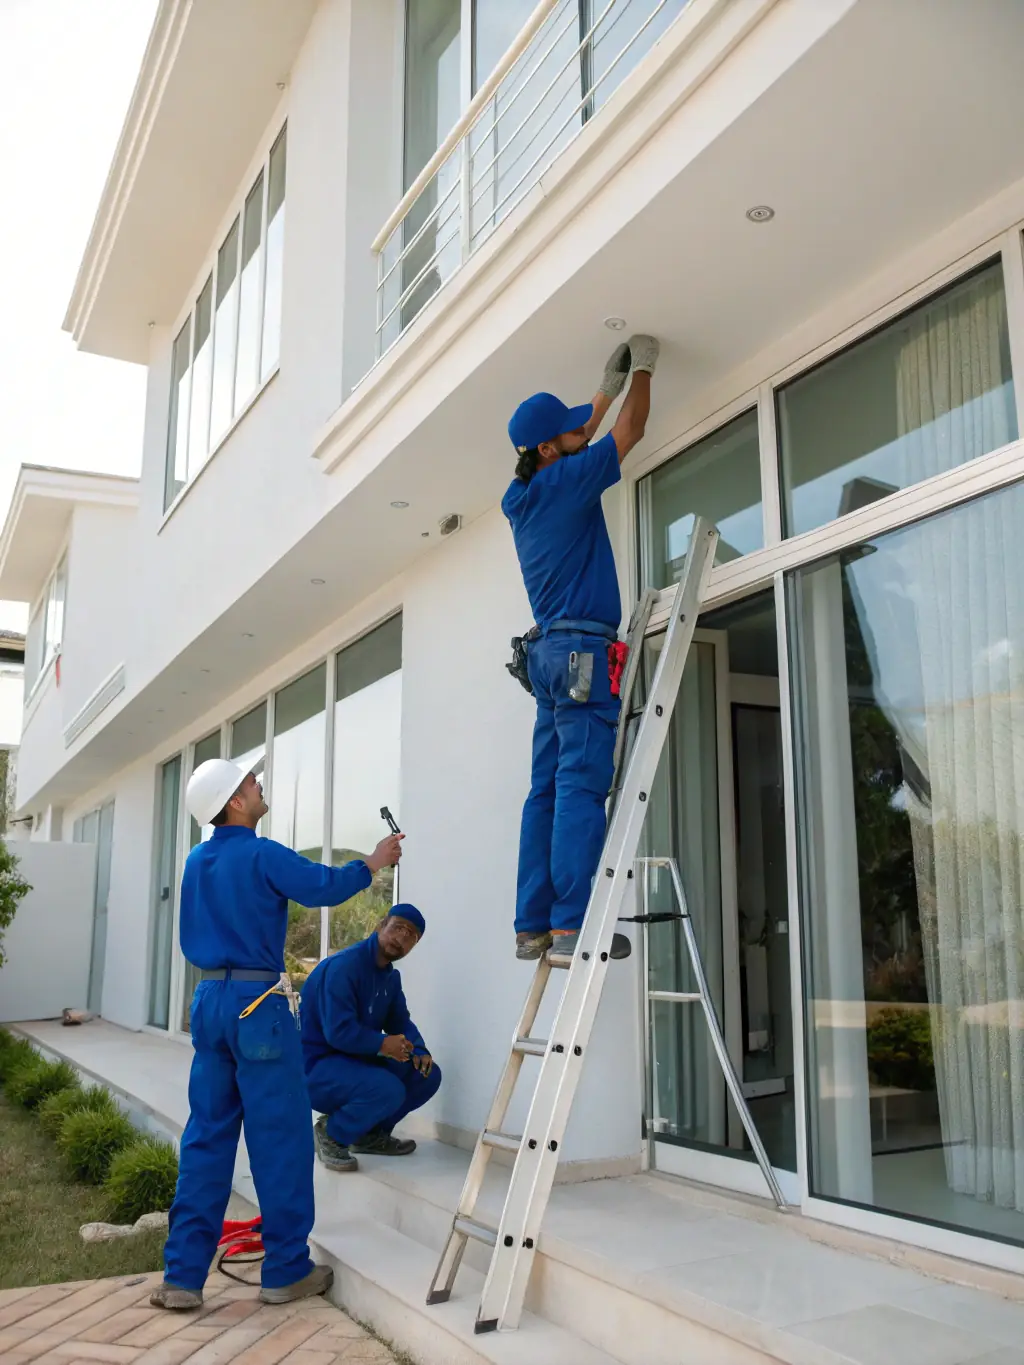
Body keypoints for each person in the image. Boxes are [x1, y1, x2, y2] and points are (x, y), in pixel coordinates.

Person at [150, 754, 403, 1311]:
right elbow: (324, 886)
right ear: (235, 802)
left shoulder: (196, 861)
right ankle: (286, 1269)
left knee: (206, 1138)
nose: (259, 783)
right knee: (281, 1140)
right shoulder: (261, 854)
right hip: (256, 1006)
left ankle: (182, 1277)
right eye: (250, 781)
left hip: (210, 1002)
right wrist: (374, 862)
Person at [503, 334, 660, 961]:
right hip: (580, 659)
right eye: (567, 433)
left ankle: (532, 925)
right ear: (549, 449)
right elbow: (631, 430)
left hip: (547, 658)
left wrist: (605, 383)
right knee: (579, 787)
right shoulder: (568, 481)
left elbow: (585, 430)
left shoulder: (522, 494)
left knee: (545, 789)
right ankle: (571, 927)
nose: (580, 434)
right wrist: (643, 370)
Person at [300, 904, 439, 1172]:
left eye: (411, 936)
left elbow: (399, 1021)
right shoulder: (344, 967)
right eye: (397, 927)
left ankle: (368, 1135)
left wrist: (419, 1047)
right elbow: (338, 1032)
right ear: (380, 925)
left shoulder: (389, 977)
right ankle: (332, 1133)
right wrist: (382, 1044)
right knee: (387, 1088)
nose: (402, 937)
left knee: (426, 1075)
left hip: (354, 1063)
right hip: (315, 1068)